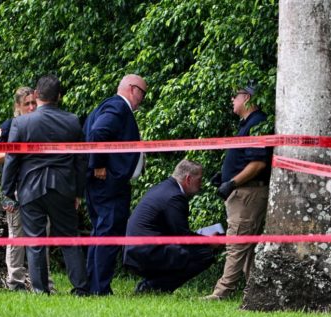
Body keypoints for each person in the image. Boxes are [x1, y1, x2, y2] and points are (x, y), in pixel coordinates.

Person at [1, 75, 88, 295]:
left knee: (35, 240)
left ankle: (40, 290)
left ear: (37, 95)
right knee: (70, 238)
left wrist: (7, 192)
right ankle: (80, 287)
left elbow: (12, 159)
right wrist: (78, 191)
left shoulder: (21, 122)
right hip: (63, 187)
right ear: (59, 96)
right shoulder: (72, 121)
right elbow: (81, 159)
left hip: (31, 188)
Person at [203, 84, 271, 300]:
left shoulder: (257, 123)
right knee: (246, 246)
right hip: (242, 194)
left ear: (248, 98)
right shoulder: (247, 124)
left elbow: (258, 164)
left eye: (236, 95)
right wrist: (223, 177)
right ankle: (256, 291)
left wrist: (231, 182)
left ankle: (221, 292)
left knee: (236, 244)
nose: (232, 99)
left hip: (247, 194)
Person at [83, 74, 147, 295]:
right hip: (108, 183)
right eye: (143, 93)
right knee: (108, 234)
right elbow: (99, 132)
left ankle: (92, 285)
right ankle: (100, 288)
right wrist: (98, 164)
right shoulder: (118, 107)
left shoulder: (108, 106)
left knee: (100, 232)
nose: (143, 99)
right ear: (132, 89)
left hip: (100, 184)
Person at [123, 159, 215, 294]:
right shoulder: (175, 197)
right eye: (199, 179)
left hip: (136, 251)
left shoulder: (164, 188)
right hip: (145, 254)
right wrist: (210, 242)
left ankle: (151, 284)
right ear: (188, 179)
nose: (201, 184)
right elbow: (183, 237)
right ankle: (152, 287)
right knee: (204, 255)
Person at [0, 87, 37, 291]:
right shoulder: (9, 126)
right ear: (17, 106)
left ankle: (43, 281)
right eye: (27, 104)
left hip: (38, 188)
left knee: (41, 235)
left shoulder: (42, 123)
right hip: (16, 188)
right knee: (16, 235)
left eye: (34, 103)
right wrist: (17, 152)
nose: (31, 107)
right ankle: (15, 281)